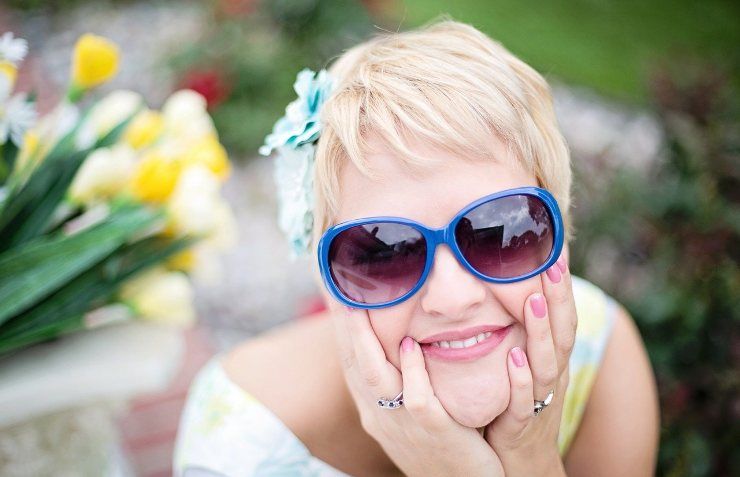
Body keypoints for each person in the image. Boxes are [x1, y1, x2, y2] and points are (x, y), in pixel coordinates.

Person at [173, 20, 659, 476]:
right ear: (324, 275)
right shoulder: (241, 445)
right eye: (386, 253)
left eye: (498, 233)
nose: (453, 297)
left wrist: (531, 456)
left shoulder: (603, 351)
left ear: (561, 230)